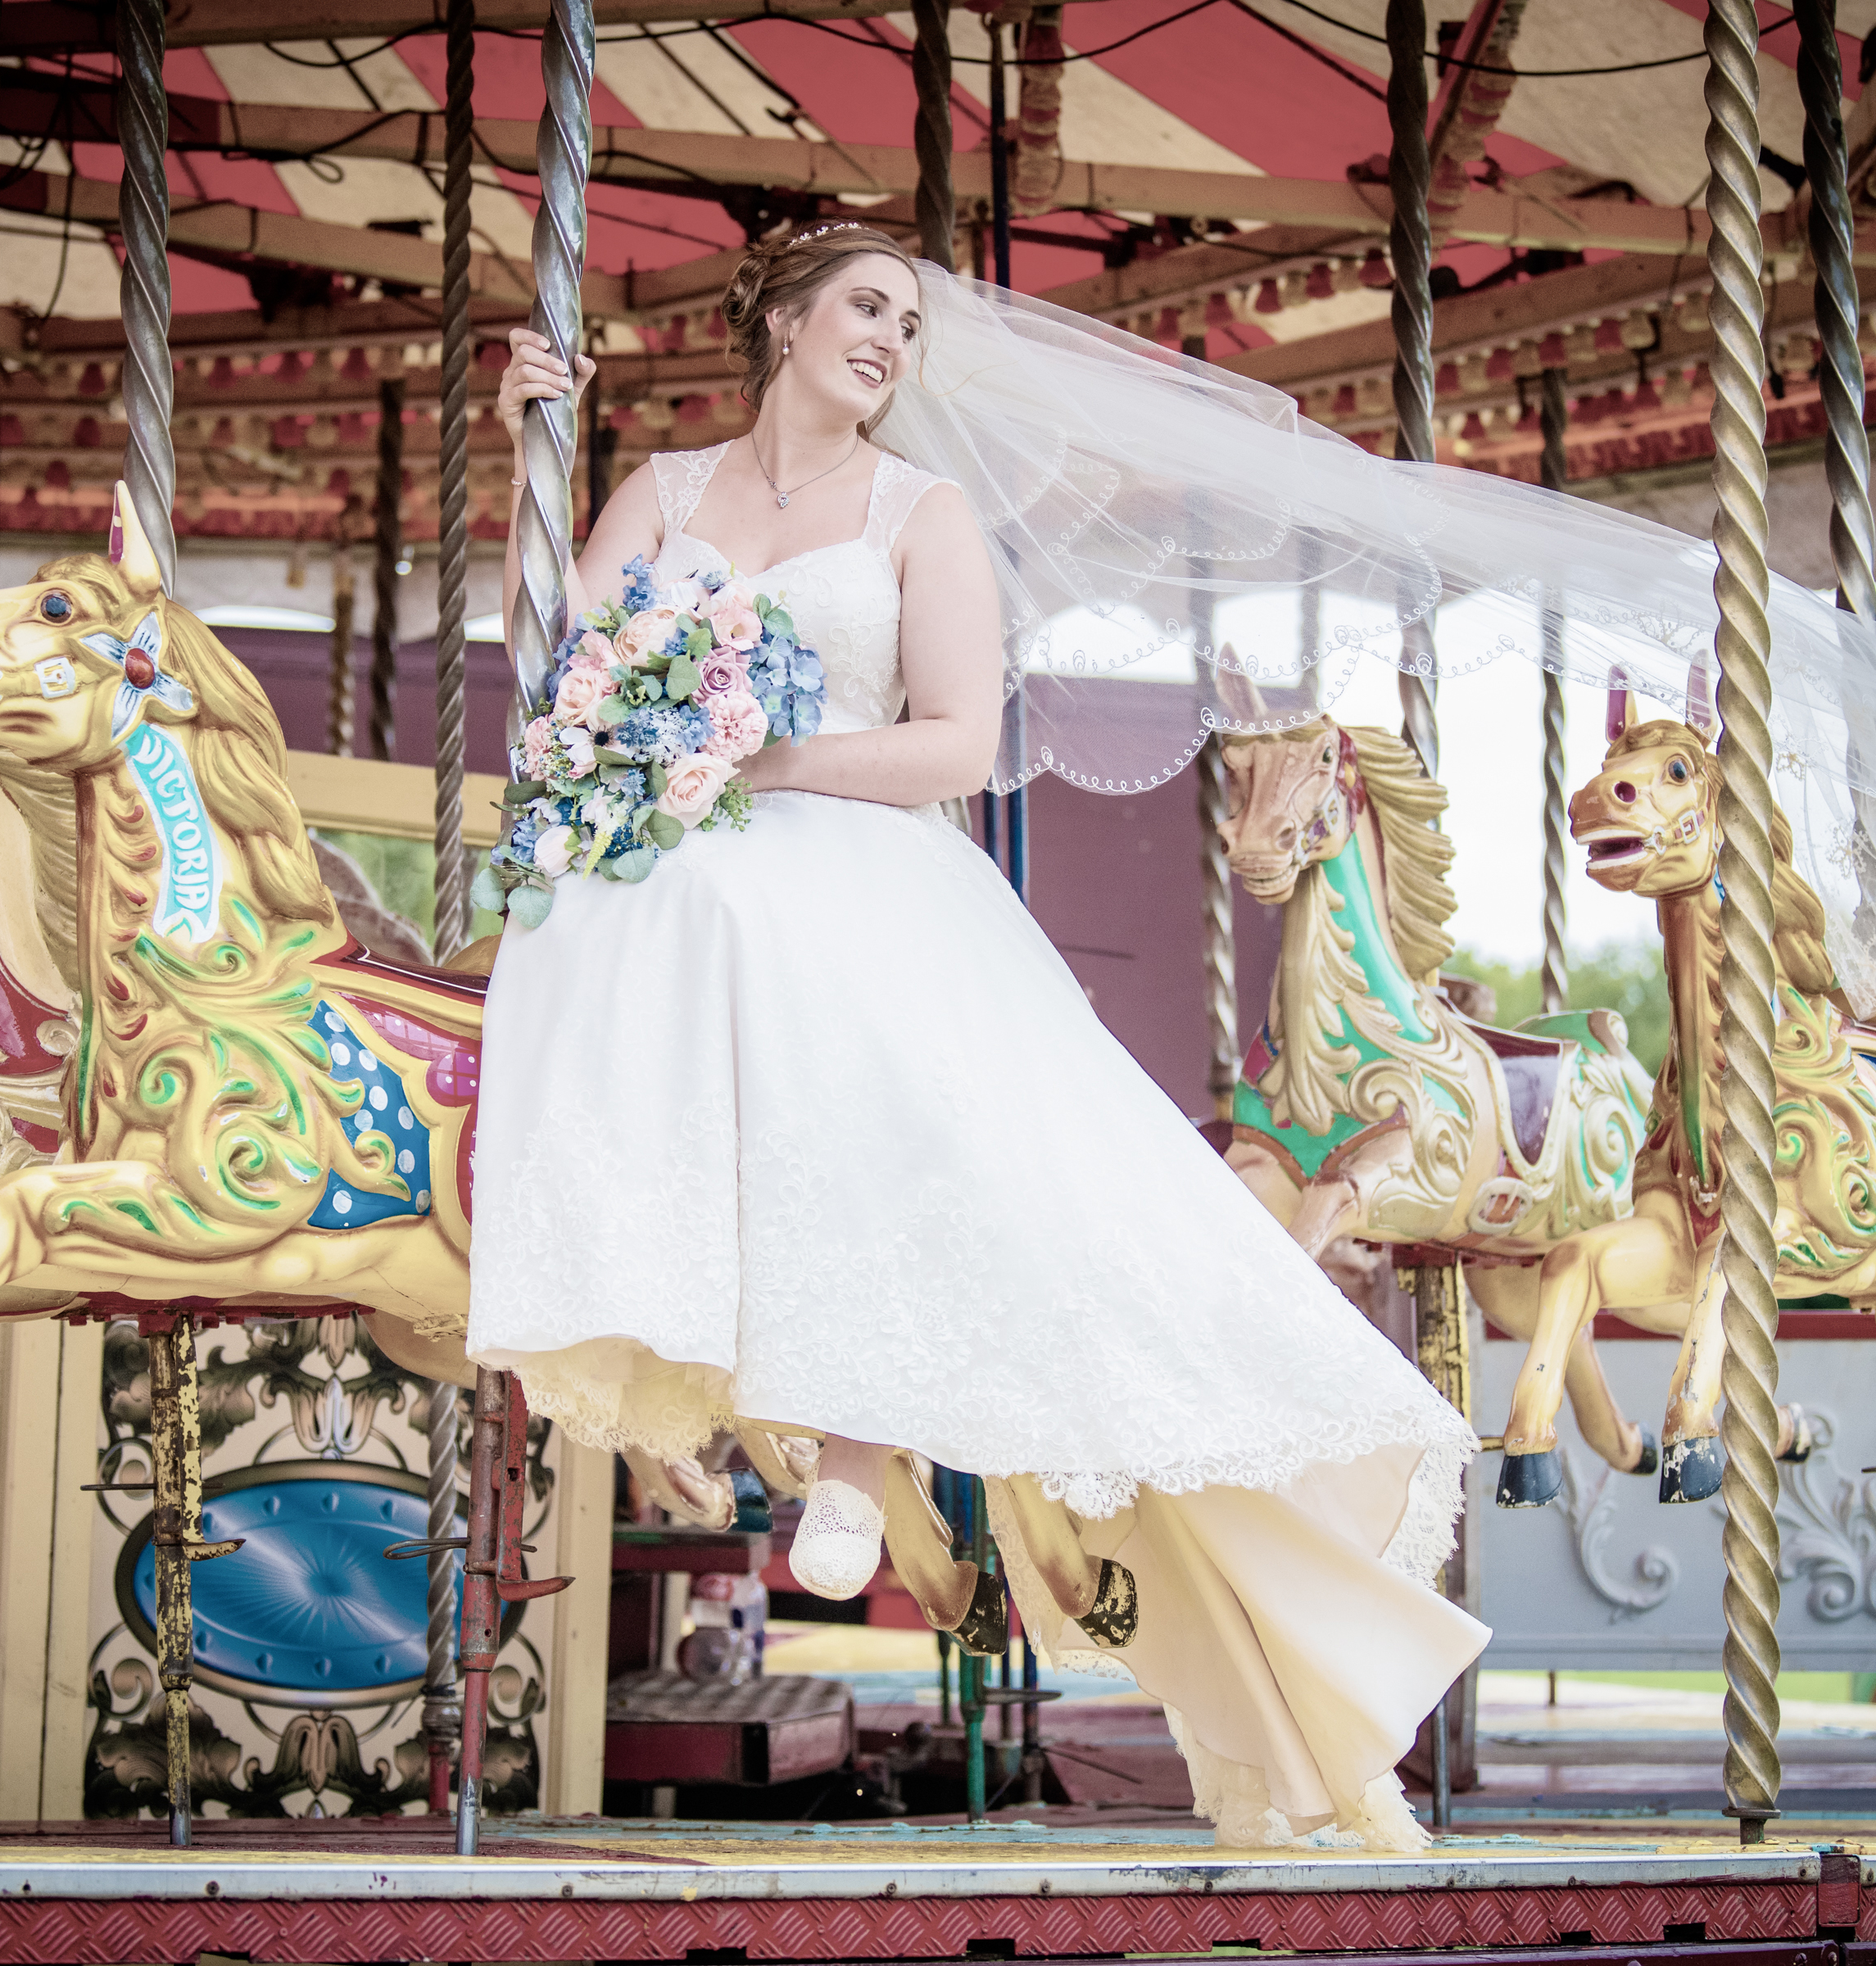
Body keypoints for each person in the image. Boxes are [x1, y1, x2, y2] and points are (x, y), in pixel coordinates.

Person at [469, 222, 1489, 1850]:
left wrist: (764, 760)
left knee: (956, 1172)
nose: (889, 337)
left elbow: (958, 742)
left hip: (858, 877)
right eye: (865, 307)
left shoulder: (916, 514)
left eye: (911, 322)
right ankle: (724, 1384)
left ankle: (861, 1458)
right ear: (784, 321)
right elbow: (564, 678)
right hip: (682, 886)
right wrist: (532, 448)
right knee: (580, 952)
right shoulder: (656, 491)